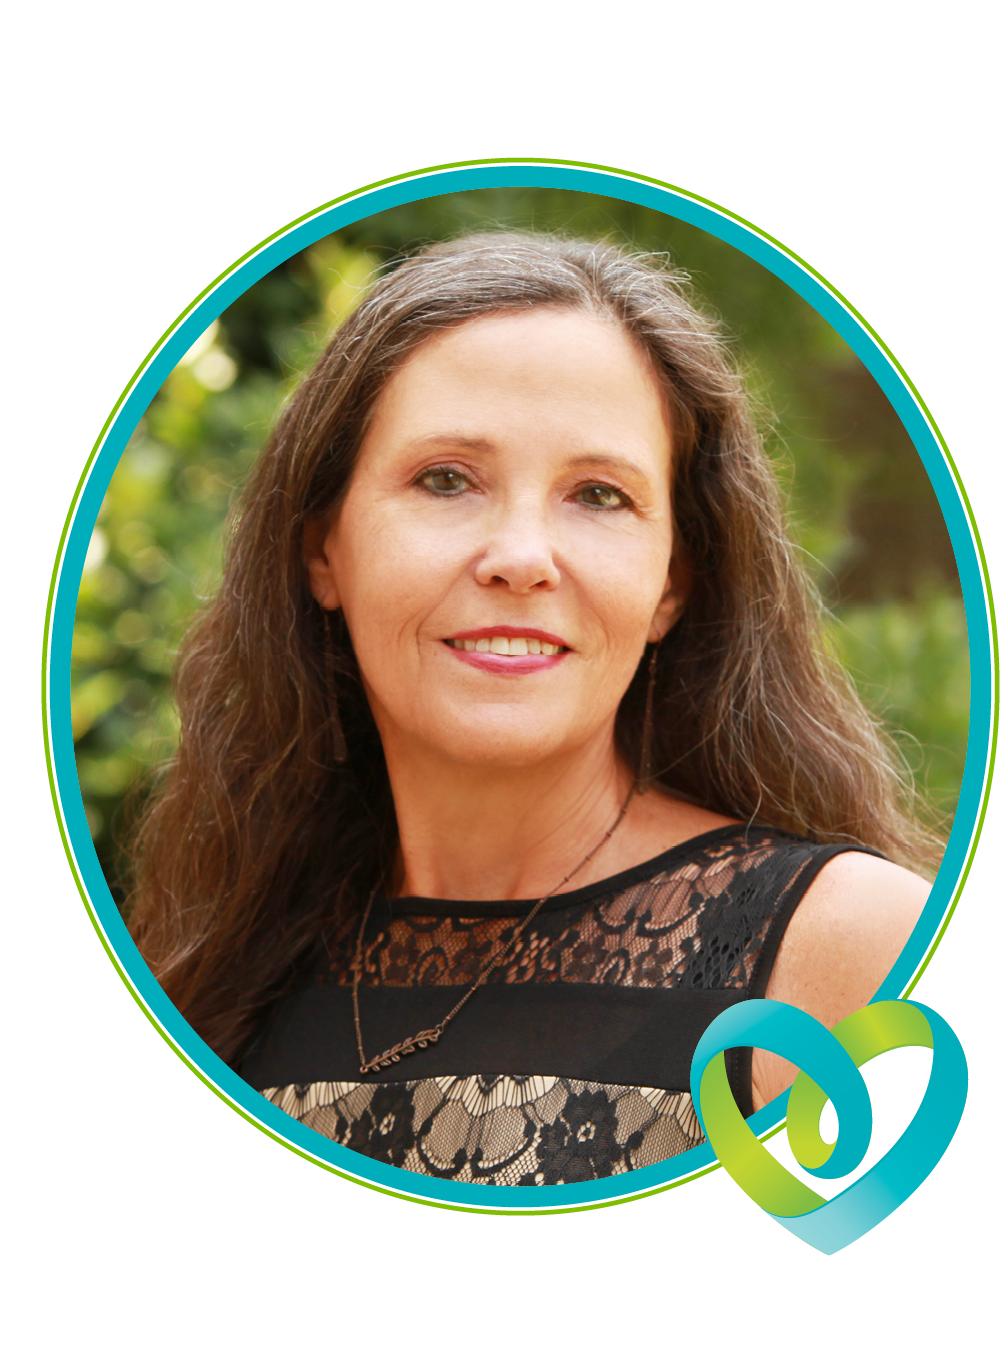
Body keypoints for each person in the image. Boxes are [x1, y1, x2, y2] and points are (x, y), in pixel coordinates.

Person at [127, 231, 938, 1185]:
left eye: (598, 495)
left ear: (672, 584)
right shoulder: (209, 975)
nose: (521, 557)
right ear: (321, 552)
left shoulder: (853, 953)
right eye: (446, 479)